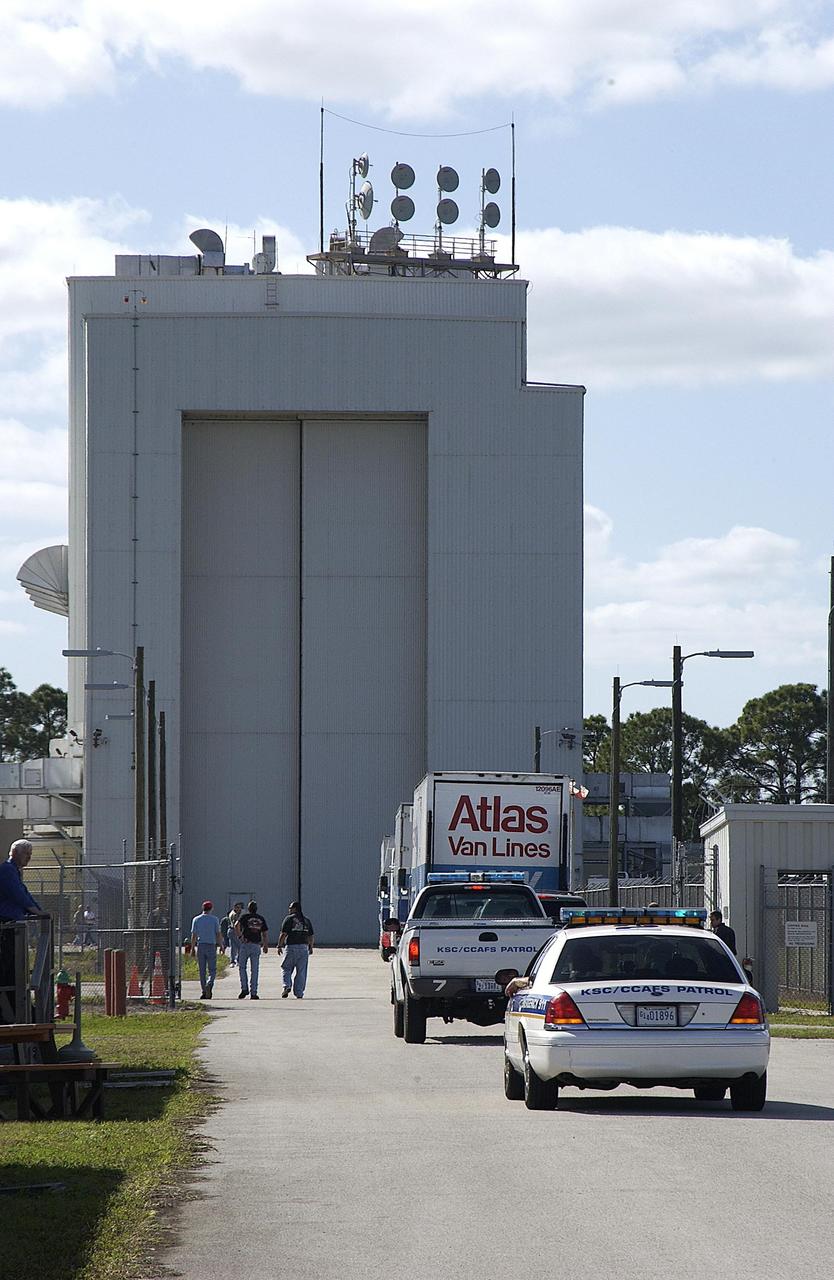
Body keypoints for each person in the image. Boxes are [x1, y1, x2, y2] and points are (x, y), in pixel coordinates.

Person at [0, 839, 43, 1022]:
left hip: (15, 925)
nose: (29, 858)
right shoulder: (7, 870)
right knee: (8, 967)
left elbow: (24, 893)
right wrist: (33, 910)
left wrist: (38, 910)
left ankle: (18, 1008)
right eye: (27, 854)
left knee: (16, 968)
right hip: (7, 925)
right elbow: (17, 893)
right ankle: (9, 1010)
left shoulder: (15, 872)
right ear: (15, 853)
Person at [277, 901, 315, 999]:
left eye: (290, 907)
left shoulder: (289, 919)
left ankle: (287, 985)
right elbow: (311, 935)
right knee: (301, 971)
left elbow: (283, 934)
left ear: (295, 909)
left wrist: (279, 945)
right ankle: (299, 993)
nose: (289, 909)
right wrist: (311, 947)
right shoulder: (306, 920)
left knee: (286, 968)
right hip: (303, 948)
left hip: (291, 947)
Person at [235, 900, 269, 999]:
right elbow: (265, 933)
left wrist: (240, 937)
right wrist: (265, 945)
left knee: (242, 967)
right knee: (254, 970)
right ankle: (253, 992)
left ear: (249, 909)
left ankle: (244, 988)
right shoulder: (260, 918)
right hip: (256, 945)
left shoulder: (244, 917)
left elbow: (236, 925)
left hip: (245, 944)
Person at [190, 900, 223, 999]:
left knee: (202, 970)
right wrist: (221, 945)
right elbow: (218, 933)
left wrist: (192, 948)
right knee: (212, 969)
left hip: (201, 945)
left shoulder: (196, 919)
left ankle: (204, 991)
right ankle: (210, 983)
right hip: (211, 945)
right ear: (211, 909)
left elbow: (194, 935)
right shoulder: (215, 919)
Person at [227, 901, 244, 966]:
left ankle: (233, 961)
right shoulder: (234, 914)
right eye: (237, 907)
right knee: (238, 946)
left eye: (240, 907)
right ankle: (236, 961)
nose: (239, 909)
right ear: (235, 907)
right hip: (234, 931)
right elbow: (236, 925)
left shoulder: (238, 913)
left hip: (234, 930)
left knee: (234, 947)